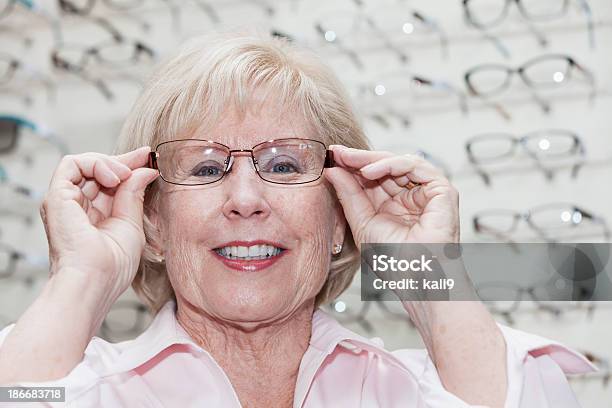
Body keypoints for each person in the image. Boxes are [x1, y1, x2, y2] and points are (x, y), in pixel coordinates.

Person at [0, 32, 595, 407]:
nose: (245, 198)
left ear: (340, 218)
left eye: (284, 165)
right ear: (152, 225)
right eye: (205, 170)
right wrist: (80, 278)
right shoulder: (79, 388)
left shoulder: (417, 392)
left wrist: (425, 275)